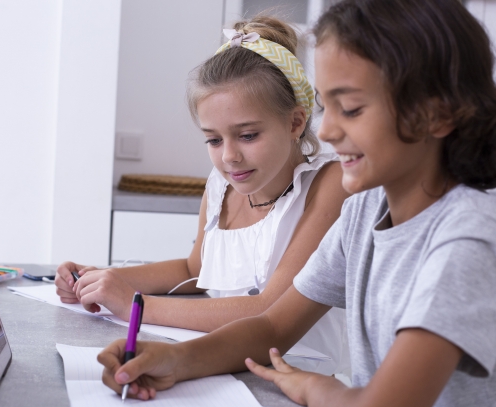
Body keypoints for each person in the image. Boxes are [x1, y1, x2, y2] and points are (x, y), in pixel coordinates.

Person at [96, 0, 496, 407]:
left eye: (352, 109)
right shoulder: (364, 211)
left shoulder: (470, 240)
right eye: (327, 105)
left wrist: (317, 388)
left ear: (438, 115)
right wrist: (175, 361)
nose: (327, 130)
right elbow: (274, 325)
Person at [55, 16, 351, 375]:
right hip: (221, 364)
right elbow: (194, 270)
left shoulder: (329, 183)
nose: (229, 156)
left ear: (295, 123)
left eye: (248, 135)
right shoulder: (221, 185)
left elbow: (269, 309)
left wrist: (135, 304)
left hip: (297, 376)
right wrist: (101, 279)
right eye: (213, 139)